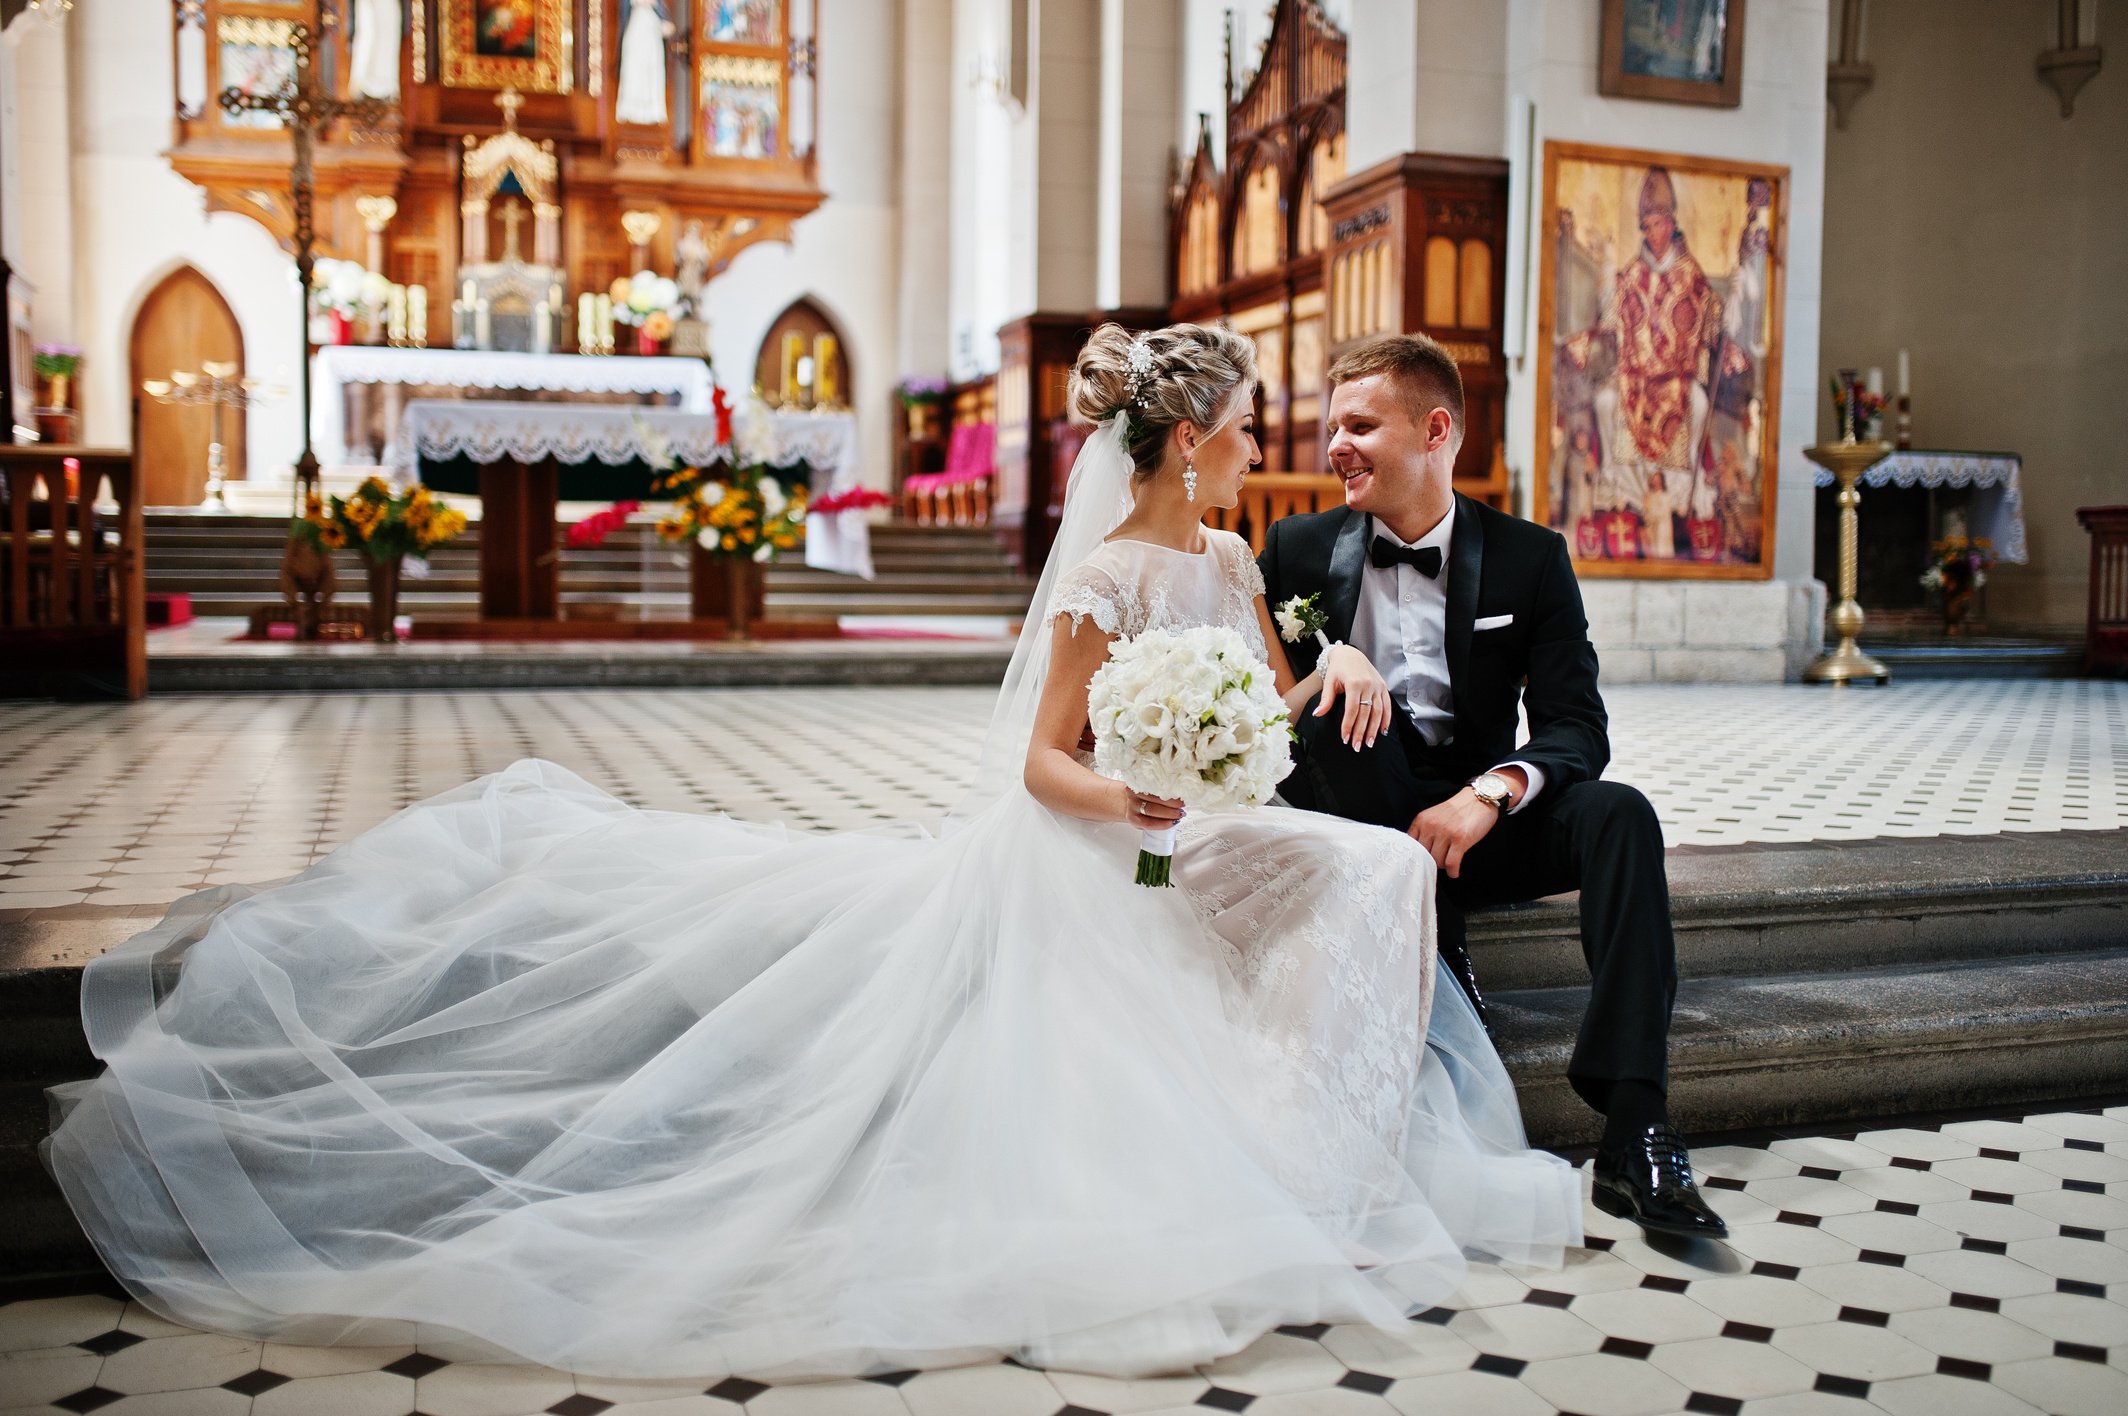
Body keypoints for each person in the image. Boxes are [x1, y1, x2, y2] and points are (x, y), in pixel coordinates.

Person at [44, 324, 1580, 1382]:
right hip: (1113, 844)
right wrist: (1135, 803)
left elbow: (1270, 690)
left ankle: (1324, 1150)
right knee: (1263, 901)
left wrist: (1336, 680)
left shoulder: (1241, 556)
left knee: (1375, 868)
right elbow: (1050, 762)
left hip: (1218, 824)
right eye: (1254, 427)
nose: (1274, 449)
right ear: (1192, 436)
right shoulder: (1109, 573)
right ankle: (1264, 1157)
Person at [1260, 332, 1727, 1240]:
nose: (1335, 446)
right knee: (1327, 717)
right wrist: (1335, 669)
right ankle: (1434, 929)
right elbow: (1268, 713)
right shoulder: (1297, 549)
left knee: (1620, 815)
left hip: (1472, 821)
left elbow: (1575, 726)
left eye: (1360, 424)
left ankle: (1636, 1130)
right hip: (1366, 829)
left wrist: (1490, 793)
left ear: (1436, 430)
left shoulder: (1529, 558)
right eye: (1333, 426)